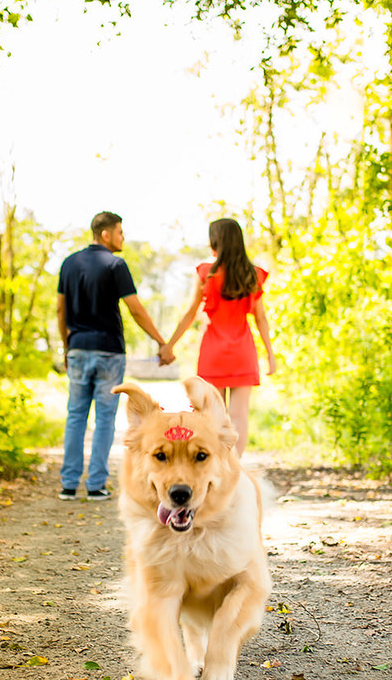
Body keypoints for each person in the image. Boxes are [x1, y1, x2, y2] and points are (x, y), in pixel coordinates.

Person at [57, 211, 172, 501]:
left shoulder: (69, 264)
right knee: (105, 417)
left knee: (75, 416)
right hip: (109, 351)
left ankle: (68, 485)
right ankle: (96, 485)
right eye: (120, 231)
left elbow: (61, 309)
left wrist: (68, 346)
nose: (123, 237)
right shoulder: (115, 265)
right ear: (105, 234)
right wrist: (161, 342)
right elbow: (135, 308)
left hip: (79, 347)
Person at [162, 218, 276, 457]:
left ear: (215, 241)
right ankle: (233, 467)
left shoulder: (205, 272)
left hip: (213, 351)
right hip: (243, 351)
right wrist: (270, 355)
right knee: (239, 415)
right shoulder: (253, 274)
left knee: (212, 415)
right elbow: (261, 319)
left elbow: (190, 313)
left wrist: (169, 345)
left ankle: (215, 466)